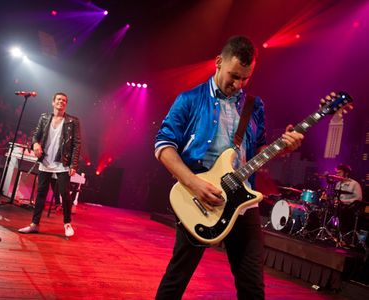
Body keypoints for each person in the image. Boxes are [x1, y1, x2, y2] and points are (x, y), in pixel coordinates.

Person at [154, 35, 304, 299]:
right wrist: (194, 183)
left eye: (245, 78)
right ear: (218, 63)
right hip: (201, 200)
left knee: (252, 287)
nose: (238, 84)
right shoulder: (190, 99)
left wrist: (282, 148)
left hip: (244, 204)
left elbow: (256, 152)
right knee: (176, 281)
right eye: (234, 76)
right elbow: (163, 147)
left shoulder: (254, 105)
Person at [18, 92, 81, 237]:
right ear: (53, 102)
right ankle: (35, 224)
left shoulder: (73, 121)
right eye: (59, 99)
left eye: (64, 100)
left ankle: (67, 224)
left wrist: (74, 164)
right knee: (41, 193)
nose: (61, 102)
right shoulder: (44, 117)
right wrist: (34, 144)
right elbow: (36, 135)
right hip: (45, 161)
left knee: (65, 194)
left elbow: (77, 144)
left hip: (62, 163)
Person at [334, 163, 363, 234]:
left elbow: (359, 198)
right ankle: (333, 232)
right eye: (336, 172)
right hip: (339, 206)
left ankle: (343, 234)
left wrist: (343, 201)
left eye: (339, 172)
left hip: (349, 208)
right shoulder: (338, 184)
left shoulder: (354, 184)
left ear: (346, 173)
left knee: (344, 213)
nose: (337, 174)